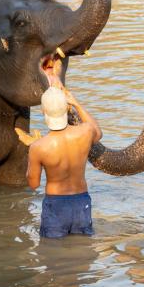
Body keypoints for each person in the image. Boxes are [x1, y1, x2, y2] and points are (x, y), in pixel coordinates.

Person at [20, 86, 102, 239]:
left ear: (44, 112)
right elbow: (98, 133)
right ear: (66, 108)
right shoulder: (86, 132)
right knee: (83, 251)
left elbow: (33, 184)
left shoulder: (38, 147)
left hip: (56, 205)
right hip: (81, 201)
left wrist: (32, 153)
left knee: (52, 255)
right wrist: (76, 103)